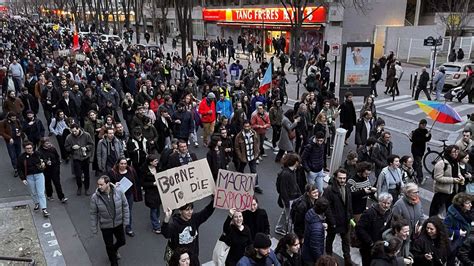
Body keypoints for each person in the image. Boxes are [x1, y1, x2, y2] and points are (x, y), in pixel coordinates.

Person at [90, 175, 129, 266]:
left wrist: (126, 221)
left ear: (107, 184)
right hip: (105, 226)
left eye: (101, 184)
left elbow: (125, 205)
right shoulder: (95, 197)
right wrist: (94, 228)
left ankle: (114, 250)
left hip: (118, 223)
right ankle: (113, 262)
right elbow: (93, 213)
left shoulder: (119, 192)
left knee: (122, 241)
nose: (99, 187)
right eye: (98, 185)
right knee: (109, 245)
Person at [162, 199, 215, 265]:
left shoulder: (194, 219)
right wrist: (166, 220)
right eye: (187, 210)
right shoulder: (175, 225)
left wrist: (214, 200)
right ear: (180, 211)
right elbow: (166, 233)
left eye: (191, 209)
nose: (190, 212)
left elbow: (207, 211)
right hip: (181, 260)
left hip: (193, 258)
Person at [323, 168, 353, 266]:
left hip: (345, 220)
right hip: (334, 222)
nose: (342, 180)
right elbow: (326, 207)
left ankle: (348, 260)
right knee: (329, 240)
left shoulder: (347, 187)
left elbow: (349, 203)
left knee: (346, 242)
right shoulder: (329, 190)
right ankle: (329, 260)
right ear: (336, 177)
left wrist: (350, 215)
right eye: (340, 178)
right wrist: (332, 221)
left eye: (344, 178)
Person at [356, 192, 393, 266]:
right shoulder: (369, 213)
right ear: (379, 202)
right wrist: (370, 242)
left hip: (380, 246)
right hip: (368, 246)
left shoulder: (389, 213)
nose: (386, 205)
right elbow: (359, 228)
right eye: (384, 203)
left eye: (388, 203)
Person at [108, 157, 141, 237]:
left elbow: (136, 181)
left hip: (129, 195)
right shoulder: (112, 172)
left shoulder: (131, 171)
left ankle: (128, 228)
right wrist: (113, 185)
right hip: (117, 196)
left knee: (128, 211)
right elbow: (107, 182)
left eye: (125, 164)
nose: (123, 165)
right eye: (121, 163)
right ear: (118, 164)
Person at [429, 145, 464, 217]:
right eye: (454, 152)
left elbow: (458, 173)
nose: (456, 154)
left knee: (450, 210)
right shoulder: (441, 164)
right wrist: (453, 180)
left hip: (453, 191)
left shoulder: (456, 162)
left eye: (457, 152)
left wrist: (461, 177)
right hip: (442, 191)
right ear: (449, 153)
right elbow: (438, 177)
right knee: (435, 210)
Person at [17, 141, 49, 217]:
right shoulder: (22, 157)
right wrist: (23, 178)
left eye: (30, 148)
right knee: (33, 192)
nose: (29, 150)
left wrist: (44, 163)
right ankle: (36, 203)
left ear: (33, 147)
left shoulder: (38, 154)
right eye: (27, 148)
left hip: (39, 174)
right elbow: (19, 169)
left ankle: (44, 208)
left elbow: (44, 159)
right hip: (29, 176)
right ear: (24, 149)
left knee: (41, 192)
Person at [275, 153, 302, 236]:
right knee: (290, 217)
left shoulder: (291, 171)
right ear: (295, 162)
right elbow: (283, 190)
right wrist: (286, 202)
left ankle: (279, 228)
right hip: (289, 198)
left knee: (286, 214)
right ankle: (289, 234)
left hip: (292, 197)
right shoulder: (286, 174)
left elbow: (295, 184)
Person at [64, 123, 94, 196]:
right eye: (72, 131)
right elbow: (66, 147)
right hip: (76, 158)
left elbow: (91, 144)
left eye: (75, 131)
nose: (74, 133)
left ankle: (87, 188)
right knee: (78, 175)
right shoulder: (69, 137)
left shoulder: (86, 135)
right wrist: (72, 148)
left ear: (79, 129)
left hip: (85, 157)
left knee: (87, 174)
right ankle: (79, 187)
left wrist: (86, 148)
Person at [443, 192, 472, 264]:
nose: (470, 205)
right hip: (455, 245)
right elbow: (445, 230)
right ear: (461, 205)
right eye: (468, 203)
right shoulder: (451, 216)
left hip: (464, 243)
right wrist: (458, 233)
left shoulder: (466, 212)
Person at [235, 120, 262, 194]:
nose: (247, 128)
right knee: (241, 171)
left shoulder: (254, 133)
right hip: (244, 157)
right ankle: (238, 184)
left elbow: (257, 143)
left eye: (248, 126)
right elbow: (237, 147)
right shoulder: (239, 136)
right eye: (245, 126)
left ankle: (256, 186)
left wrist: (257, 152)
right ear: (243, 127)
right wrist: (240, 157)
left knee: (254, 171)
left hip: (252, 156)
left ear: (250, 126)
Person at [37, 137, 67, 203]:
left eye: (48, 142)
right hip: (46, 170)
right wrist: (45, 162)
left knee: (57, 183)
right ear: (43, 144)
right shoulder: (40, 151)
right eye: (46, 143)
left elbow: (57, 156)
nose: (48, 144)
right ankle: (49, 195)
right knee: (48, 183)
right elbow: (40, 160)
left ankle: (61, 197)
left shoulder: (52, 149)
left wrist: (58, 165)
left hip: (54, 168)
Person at [302, 198, 329, 265]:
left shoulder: (310, 212)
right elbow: (315, 248)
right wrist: (321, 261)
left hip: (306, 250)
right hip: (311, 258)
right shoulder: (317, 229)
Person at [0, 112, 23, 176]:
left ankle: (20, 167)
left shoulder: (17, 121)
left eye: (15, 118)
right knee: (12, 155)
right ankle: (16, 169)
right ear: (9, 117)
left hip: (17, 139)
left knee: (19, 154)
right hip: (9, 141)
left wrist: (20, 133)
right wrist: (9, 138)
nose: (14, 119)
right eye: (13, 118)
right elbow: (2, 132)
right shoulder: (3, 122)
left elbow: (21, 128)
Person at [410, 119, 431, 184]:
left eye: (425, 125)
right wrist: (425, 137)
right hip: (416, 150)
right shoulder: (416, 131)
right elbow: (416, 140)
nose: (424, 126)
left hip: (421, 150)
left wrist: (429, 135)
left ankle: (411, 172)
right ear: (420, 124)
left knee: (416, 163)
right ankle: (420, 178)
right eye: (422, 125)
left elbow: (427, 139)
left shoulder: (425, 131)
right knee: (419, 164)